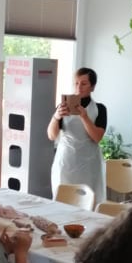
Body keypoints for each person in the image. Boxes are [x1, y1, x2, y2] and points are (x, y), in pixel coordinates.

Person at [47, 67, 106, 204]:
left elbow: (97, 137)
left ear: (92, 87)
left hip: (89, 164)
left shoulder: (100, 109)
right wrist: (56, 117)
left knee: (88, 202)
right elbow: (51, 135)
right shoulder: (63, 107)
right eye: (76, 83)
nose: (79, 87)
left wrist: (84, 116)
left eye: (84, 83)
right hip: (66, 162)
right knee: (62, 201)